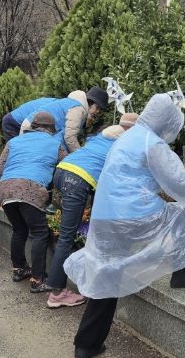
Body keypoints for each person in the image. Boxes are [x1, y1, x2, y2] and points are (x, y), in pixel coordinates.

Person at [64, 94, 185, 358]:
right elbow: (179, 183)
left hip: (104, 216)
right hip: (133, 216)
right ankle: (183, 273)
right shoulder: (153, 143)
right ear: (166, 121)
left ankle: (86, 344)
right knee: (184, 211)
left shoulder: (128, 137)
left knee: (108, 273)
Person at [46, 117, 136, 309]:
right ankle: (57, 293)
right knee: (67, 237)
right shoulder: (124, 145)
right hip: (77, 180)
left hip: (62, 171)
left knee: (70, 231)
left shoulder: (100, 137)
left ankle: (62, 285)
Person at [0, 112, 67, 292]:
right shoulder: (55, 144)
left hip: (6, 188)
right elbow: (67, 167)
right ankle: (38, 279)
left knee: (19, 229)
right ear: (50, 129)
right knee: (40, 233)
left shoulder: (14, 141)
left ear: (33, 126)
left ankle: (19, 269)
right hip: (31, 188)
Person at [20, 87, 108, 153]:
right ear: (91, 102)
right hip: (33, 128)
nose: (97, 112)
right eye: (97, 108)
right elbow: (70, 137)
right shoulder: (78, 108)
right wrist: (79, 155)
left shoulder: (74, 102)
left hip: (33, 126)